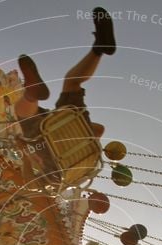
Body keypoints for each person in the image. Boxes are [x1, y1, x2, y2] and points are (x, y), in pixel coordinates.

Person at [15, 6, 115, 143]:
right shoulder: (83, 153)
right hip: (69, 134)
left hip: (47, 146)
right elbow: (99, 130)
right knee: (70, 82)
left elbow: (99, 130)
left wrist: (25, 154)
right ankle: (98, 47)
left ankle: (31, 94)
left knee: (26, 118)